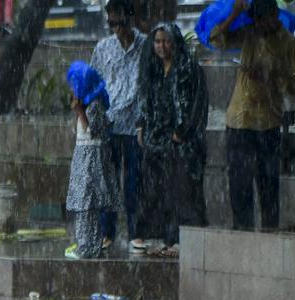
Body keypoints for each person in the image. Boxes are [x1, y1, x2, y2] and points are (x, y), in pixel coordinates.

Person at [212, 0, 295, 231]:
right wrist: (234, 14)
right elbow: (216, 40)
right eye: (256, 20)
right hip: (239, 120)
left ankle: (269, 234)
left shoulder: (290, 45)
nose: (260, 25)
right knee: (239, 186)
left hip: (268, 122)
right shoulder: (248, 34)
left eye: (263, 20)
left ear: (274, 15)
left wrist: (269, 75)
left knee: (268, 186)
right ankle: (242, 234)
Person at [134, 22, 209, 257]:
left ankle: (183, 240)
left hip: (182, 144)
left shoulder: (189, 69)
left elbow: (197, 105)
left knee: (183, 191)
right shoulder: (152, 69)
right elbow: (145, 101)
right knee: (158, 190)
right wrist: (141, 127)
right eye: (157, 41)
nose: (161, 46)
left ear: (175, 42)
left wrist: (182, 131)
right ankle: (163, 238)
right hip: (157, 142)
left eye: (166, 41)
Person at [91, 0, 147, 251]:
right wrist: (94, 119)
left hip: (136, 124)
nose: (116, 29)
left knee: (135, 180)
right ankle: (107, 231)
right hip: (109, 123)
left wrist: (144, 121)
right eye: (111, 23)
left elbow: (149, 86)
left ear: (130, 18)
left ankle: (137, 231)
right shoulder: (103, 48)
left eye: (120, 22)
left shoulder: (145, 46)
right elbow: (94, 86)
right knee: (108, 180)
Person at [66, 62, 121, 260]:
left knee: (89, 204)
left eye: (74, 84)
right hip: (83, 157)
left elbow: (94, 130)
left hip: (92, 160)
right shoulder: (87, 104)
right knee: (83, 206)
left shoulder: (94, 105)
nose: (71, 88)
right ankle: (84, 244)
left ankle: (90, 246)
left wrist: (81, 112)